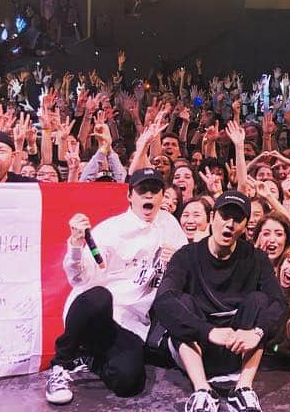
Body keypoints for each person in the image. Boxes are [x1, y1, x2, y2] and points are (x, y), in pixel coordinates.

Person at [44, 167, 189, 404]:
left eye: (155, 191)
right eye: (142, 191)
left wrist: (178, 261)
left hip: (132, 323)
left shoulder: (169, 225)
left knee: (129, 383)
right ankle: (61, 365)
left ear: (163, 196)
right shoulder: (112, 229)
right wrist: (75, 245)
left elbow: (185, 268)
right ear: (130, 196)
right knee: (100, 296)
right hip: (95, 313)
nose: (149, 196)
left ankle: (89, 358)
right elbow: (79, 280)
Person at [151, 190, 286, 412]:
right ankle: (202, 390)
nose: (230, 224)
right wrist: (207, 331)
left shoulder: (255, 257)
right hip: (196, 348)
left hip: (237, 347)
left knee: (260, 300)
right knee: (180, 301)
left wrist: (257, 332)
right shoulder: (186, 255)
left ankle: (243, 389)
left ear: (245, 225)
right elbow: (163, 300)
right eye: (225, 216)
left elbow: (279, 302)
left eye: (238, 219)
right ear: (212, 217)